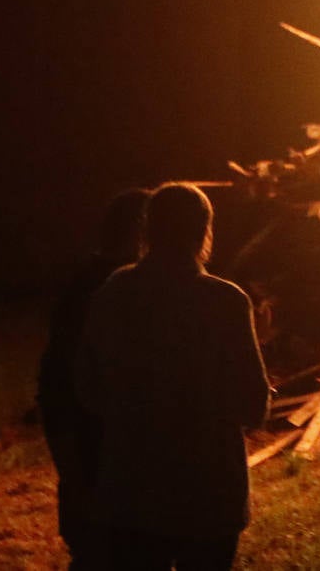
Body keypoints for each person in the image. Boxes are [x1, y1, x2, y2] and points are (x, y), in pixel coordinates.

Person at [76, 182, 271, 571]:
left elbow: (87, 386)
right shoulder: (225, 301)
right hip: (209, 495)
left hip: (133, 491)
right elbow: (254, 405)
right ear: (204, 231)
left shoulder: (115, 293)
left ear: (148, 230)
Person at [38, 187, 149, 570]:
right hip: (95, 448)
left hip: (101, 451)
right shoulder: (106, 288)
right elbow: (59, 376)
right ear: (140, 232)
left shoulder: (108, 283)